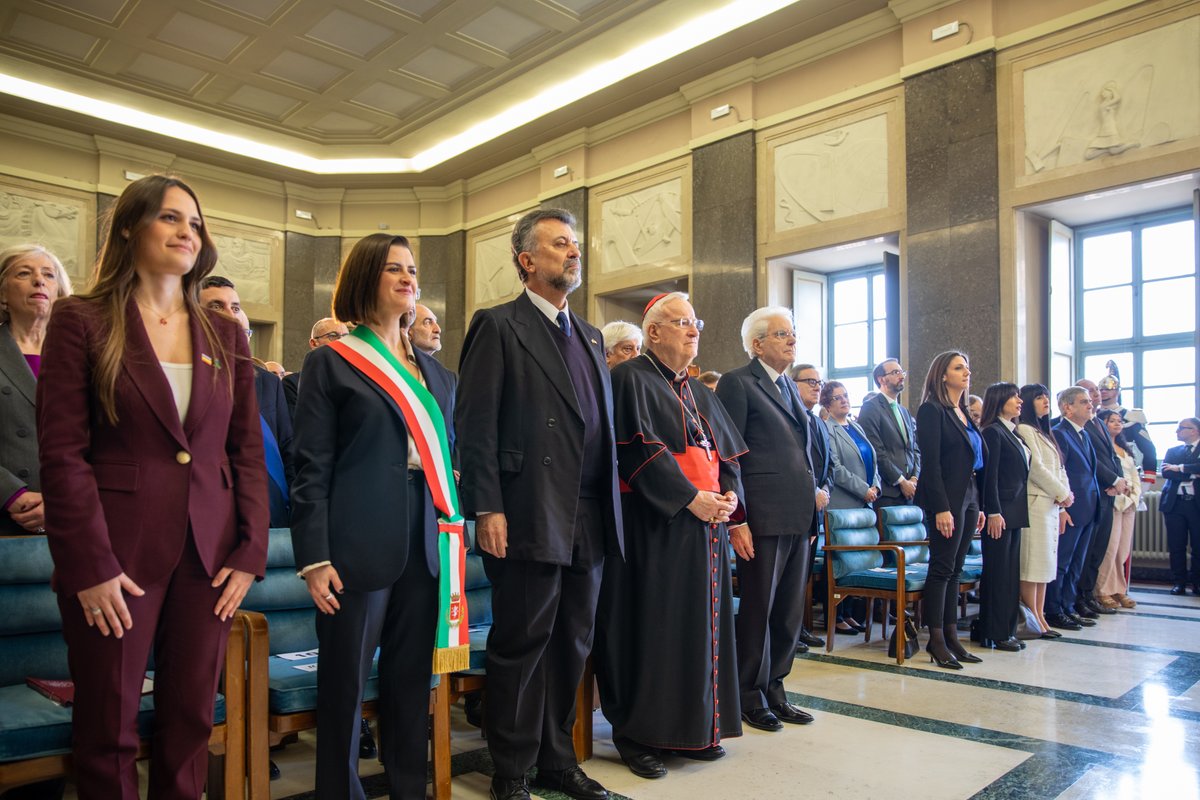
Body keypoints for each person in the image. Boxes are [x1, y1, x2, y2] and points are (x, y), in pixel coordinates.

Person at [36, 175, 268, 799]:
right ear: (128, 228)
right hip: (114, 559)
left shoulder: (225, 333)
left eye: (195, 223)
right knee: (107, 729)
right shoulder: (81, 319)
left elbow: (245, 451)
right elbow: (63, 454)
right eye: (170, 218)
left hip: (209, 559)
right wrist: (89, 566)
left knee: (190, 723)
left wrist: (250, 551)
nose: (186, 232)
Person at [456, 209, 622, 800]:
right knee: (523, 643)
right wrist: (487, 507)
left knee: (572, 643)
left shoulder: (592, 336)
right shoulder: (499, 325)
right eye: (559, 244)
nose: (573, 252)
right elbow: (475, 425)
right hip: (527, 508)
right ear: (527, 260)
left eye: (574, 244)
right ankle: (510, 769)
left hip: (589, 512)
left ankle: (557, 760)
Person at [290, 233, 459, 799]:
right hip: (354, 542)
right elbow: (311, 466)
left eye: (412, 269)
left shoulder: (437, 375)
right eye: (393, 268)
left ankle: (409, 788)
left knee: (410, 682)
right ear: (365, 278)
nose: (408, 278)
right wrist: (314, 556)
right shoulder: (332, 362)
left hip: (426, 538)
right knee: (344, 684)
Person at [599, 291, 746, 779]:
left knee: (700, 631)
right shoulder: (629, 379)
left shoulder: (700, 391)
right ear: (654, 332)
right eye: (681, 322)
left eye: (695, 322)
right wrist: (688, 498)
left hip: (706, 529)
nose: (692, 330)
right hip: (654, 525)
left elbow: (725, 456)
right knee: (653, 628)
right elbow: (636, 452)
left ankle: (693, 729)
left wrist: (728, 499)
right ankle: (639, 735)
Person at [715, 307, 816, 734]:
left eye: (792, 333)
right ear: (757, 344)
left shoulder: (789, 385)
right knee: (759, 608)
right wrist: (738, 519)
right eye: (781, 334)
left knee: (789, 612)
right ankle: (748, 694)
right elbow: (729, 454)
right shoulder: (739, 382)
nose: (791, 340)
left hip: (798, 514)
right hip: (762, 515)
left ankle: (776, 688)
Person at [200, 276, 294, 530]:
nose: (230, 314)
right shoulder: (189, 377)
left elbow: (288, 449)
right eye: (216, 306)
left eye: (235, 307)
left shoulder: (268, 382)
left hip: (270, 515)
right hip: (213, 516)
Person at [914, 351, 987, 670]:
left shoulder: (964, 411)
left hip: (969, 495)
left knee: (956, 569)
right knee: (942, 568)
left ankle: (952, 636)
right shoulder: (932, 410)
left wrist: (979, 505)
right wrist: (941, 508)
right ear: (943, 375)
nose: (966, 372)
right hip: (946, 498)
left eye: (967, 367)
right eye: (959, 368)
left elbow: (975, 462)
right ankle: (936, 639)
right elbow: (930, 465)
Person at [1, 245, 72, 535]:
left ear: (59, 293)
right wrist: (11, 494)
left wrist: (62, 499)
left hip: (72, 513)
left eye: (48, 275)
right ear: (3, 293)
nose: (39, 280)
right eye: (24, 273)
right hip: (8, 515)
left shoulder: (83, 354)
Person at [1014, 384, 1073, 639]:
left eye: (1046, 396)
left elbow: (1060, 468)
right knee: (1033, 565)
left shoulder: (1044, 432)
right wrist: (1061, 492)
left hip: (1050, 504)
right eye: (1039, 398)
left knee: (1046, 565)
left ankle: (1041, 614)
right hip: (1035, 503)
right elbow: (1036, 468)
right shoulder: (1025, 429)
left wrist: (1065, 495)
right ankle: (1033, 617)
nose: (1045, 401)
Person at [977, 382, 1029, 651]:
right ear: (999, 400)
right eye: (1014, 397)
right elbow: (990, 477)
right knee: (998, 574)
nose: (1019, 401)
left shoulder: (1012, 431)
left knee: (1010, 574)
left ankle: (1008, 629)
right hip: (1001, 511)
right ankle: (994, 631)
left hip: (1015, 510)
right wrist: (993, 511)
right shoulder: (992, 432)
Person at [1046, 387, 1102, 631]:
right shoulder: (1059, 434)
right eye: (1084, 401)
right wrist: (1062, 509)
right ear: (1067, 407)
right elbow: (1060, 473)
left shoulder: (1084, 434)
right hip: (1070, 509)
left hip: (1088, 508)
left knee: (1077, 564)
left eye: (1090, 401)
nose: (1091, 405)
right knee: (1062, 562)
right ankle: (1053, 610)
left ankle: (1069, 607)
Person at [1075, 378, 1125, 620]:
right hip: (1094, 492)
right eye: (1088, 392)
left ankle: (1089, 595)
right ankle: (1078, 598)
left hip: (1108, 494)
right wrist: (1112, 480)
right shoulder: (1078, 426)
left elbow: (1112, 456)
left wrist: (1119, 479)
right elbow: (1091, 460)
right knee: (1086, 551)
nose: (1095, 395)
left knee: (1098, 550)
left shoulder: (1099, 422)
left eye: (1095, 391)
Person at [788, 363, 831, 649]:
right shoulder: (790, 418)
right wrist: (812, 491)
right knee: (790, 577)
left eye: (819, 382)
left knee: (802, 575)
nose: (817, 387)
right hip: (795, 506)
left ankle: (799, 627)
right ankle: (788, 631)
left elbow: (829, 465)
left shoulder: (819, 423)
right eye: (810, 382)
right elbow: (792, 464)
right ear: (793, 384)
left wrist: (824, 489)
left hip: (816, 509)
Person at [1094, 408, 1142, 609]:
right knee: (1110, 548)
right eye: (1112, 420)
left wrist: (1134, 495)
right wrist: (1120, 491)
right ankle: (1102, 590)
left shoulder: (1125, 448)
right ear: (1102, 424)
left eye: (1119, 421)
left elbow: (1134, 474)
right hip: (1114, 500)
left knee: (1122, 550)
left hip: (1129, 502)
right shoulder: (1103, 447)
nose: (1117, 424)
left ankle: (1118, 589)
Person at [857, 359, 920, 509]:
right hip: (888, 492)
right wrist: (901, 481)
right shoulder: (870, 408)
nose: (901, 376)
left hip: (911, 491)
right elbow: (876, 451)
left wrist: (914, 478)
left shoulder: (904, 411)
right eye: (895, 372)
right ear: (881, 379)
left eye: (902, 372)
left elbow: (914, 449)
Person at [821, 381, 881, 511]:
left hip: (868, 501)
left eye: (845, 395)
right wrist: (864, 490)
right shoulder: (826, 428)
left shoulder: (857, 427)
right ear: (827, 405)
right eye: (837, 398)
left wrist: (876, 486)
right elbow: (836, 468)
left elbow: (872, 460)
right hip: (845, 504)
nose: (844, 400)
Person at [1161, 418, 1200, 596]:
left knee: (1198, 546)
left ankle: (1197, 583)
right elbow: (1166, 472)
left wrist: (1180, 468)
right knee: (1176, 545)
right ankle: (1179, 583)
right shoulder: (1172, 451)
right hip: (1175, 504)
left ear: (1194, 430)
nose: (1177, 431)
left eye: (1181, 428)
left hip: (1196, 504)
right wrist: (1192, 474)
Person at [283, 317, 350, 419]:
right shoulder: (292, 384)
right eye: (332, 336)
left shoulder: (356, 380)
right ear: (314, 343)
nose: (341, 341)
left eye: (345, 336)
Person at [1097, 371, 1157, 474]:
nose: (1103, 392)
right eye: (1101, 389)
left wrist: (1149, 476)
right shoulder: (1092, 415)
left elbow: (1148, 450)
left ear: (1118, 391)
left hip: (1125, 469)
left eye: (1108, 389)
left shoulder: (1132, 417)